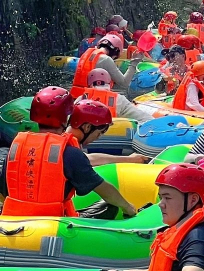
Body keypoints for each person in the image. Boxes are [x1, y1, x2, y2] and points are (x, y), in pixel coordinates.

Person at [94, 164, 204, 271]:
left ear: (193, 200)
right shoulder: (189, 228)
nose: (161, 204)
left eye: (167, 198)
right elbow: (177, 266)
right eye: (161, 198)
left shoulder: (199, 235)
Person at [0, 89, 136, 218]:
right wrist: (128, 207)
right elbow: (104, 189)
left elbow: (4, 189)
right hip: (53, 223)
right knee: (110, 207)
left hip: (12, 219)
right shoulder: (69, 153)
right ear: (66, 118)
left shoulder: (16, 147)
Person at [71, 32, 140, 97]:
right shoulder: (106, 59)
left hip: (76, 95)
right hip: (91, 98)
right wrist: (134, 62)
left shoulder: (86, 54)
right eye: (115, 57)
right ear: (115, 51)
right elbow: (124, 83)